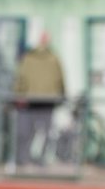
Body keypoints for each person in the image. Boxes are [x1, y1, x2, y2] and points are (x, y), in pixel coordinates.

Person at [12, 32, 66, 166]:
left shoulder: (28, 58)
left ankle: (24, 159)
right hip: (47, 100)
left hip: (32, 99)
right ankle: (40, 159)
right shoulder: (54, 58)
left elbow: (21, 79)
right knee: (46, 131)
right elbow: (60, 79)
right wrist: (62, 95)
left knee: (28, 131)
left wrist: (18, 93)